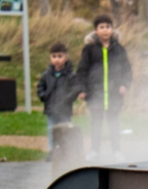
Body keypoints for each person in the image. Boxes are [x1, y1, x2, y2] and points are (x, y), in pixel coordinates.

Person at [77, 14, 133, 161]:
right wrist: (82, 89)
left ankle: (117, 151)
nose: (105, 30)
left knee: (114, 123)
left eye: (108, 27)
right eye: (101, 27)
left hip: (114, 93)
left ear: (112, 29)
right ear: (96, 31)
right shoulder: (89, 50)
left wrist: (125, 84)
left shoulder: (119, 49)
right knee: (96, 123)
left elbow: (127, 69)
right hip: (96, 93)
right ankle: (95, 150)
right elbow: (82, 70)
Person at [36, 41, 78, 159]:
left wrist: (68, 99)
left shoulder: (70, 75)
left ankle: (65, 151)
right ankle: (53, 151)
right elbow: (40, 86)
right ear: (50, 58)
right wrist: (44, 96)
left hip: (64, 109)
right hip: (51, 108)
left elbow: (74, 89)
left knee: (65, 130)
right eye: (54, 56)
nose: (57, 59)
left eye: (60, 56)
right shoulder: (47, 75)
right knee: (51, 130)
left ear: (66, 57)